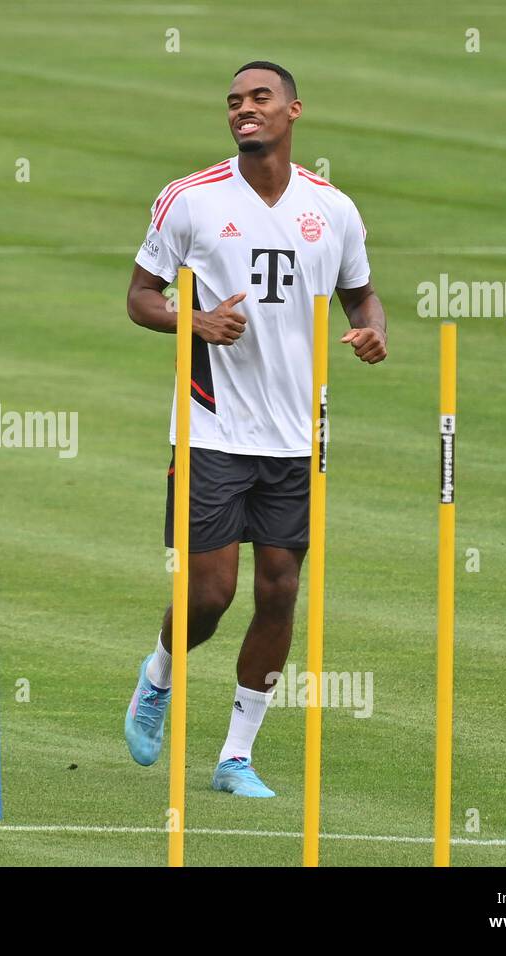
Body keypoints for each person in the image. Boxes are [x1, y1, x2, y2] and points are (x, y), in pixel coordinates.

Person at [123, 61, 386, 797]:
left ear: (293, 110)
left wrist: (371, 334)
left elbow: (363, 299)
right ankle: (160, 675)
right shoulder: (191, 200)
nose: (244, 109)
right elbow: (141, 298)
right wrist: (196, 320)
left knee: (279, 590)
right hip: (211, 429)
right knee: (209, 596)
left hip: (296, 439)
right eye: (234, 101)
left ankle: (236, 756)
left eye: (259, 98)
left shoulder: (333, 210)